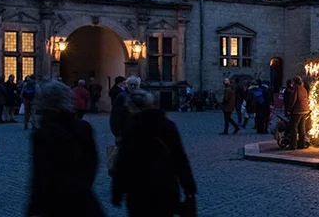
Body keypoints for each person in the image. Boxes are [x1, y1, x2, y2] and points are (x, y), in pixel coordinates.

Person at [112, 91, 197, 217]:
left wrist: (117, 191)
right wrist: (189, 188)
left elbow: (123, 162)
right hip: (165, 187)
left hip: (139, 190)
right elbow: (180, 159)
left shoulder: (131, 130)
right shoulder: (168, 126)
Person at [26, 81, 104, 217]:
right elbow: (93, 163)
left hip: (56, 204)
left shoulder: (44, 134)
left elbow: (41, 177)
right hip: (85, 201)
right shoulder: (84, 127)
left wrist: (35, 209)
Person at [109, 75, 140, 140]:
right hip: (125, 129)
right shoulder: (122, 96)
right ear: (127, 85)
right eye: (131, 84)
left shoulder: (143, 96)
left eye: (135, 85)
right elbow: (115, 115)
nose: (133, 86)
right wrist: (117, 132)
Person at [286, 76, 310, 149]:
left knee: (293, 127)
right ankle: (301, 144)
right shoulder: (303, 88)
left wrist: (289, 110)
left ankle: (293, 145)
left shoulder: (295, 88)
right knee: (301, 127)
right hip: (305, 109)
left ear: (294, 82)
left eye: (292, 81)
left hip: (297, 110)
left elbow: (293, 100)